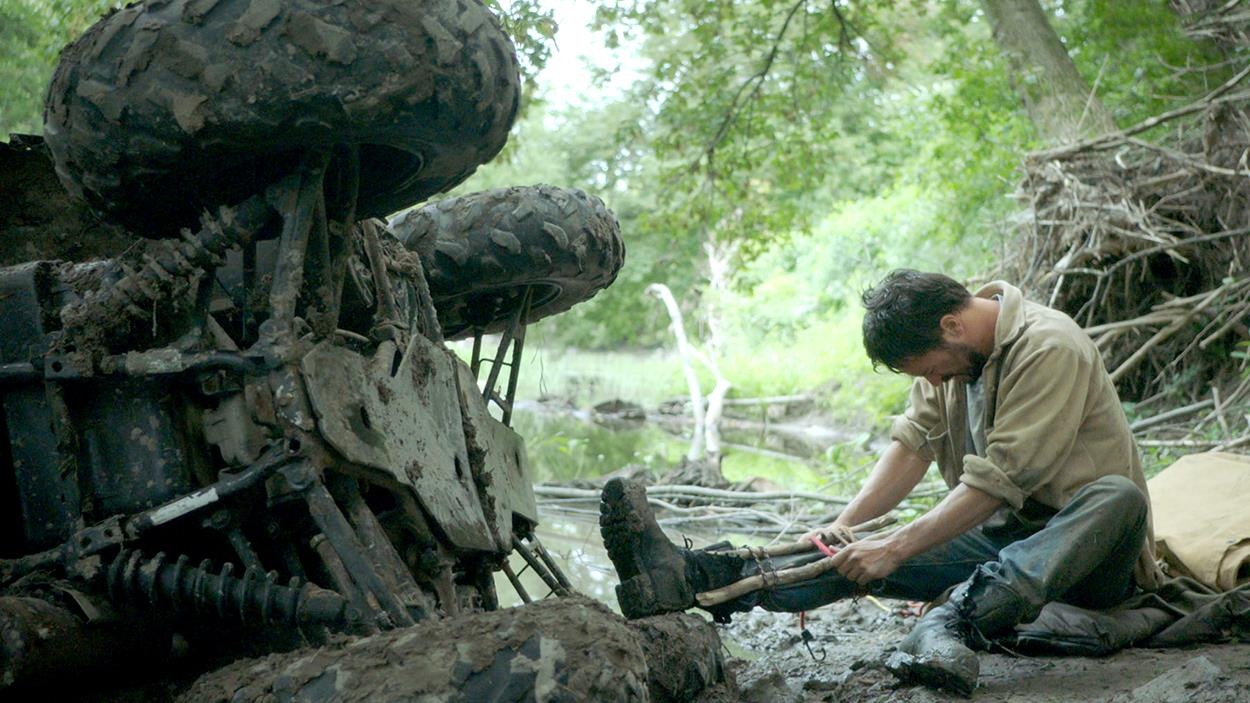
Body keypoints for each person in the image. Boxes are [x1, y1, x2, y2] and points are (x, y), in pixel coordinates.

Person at [600, 269, 1161, 696]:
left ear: (951, 326)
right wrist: (843, 532)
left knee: (1118, 496)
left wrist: (895, 547)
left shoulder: (1048, 347)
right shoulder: (955, 353)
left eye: (933, 371)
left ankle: (956, 621)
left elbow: (999, 481)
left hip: (1085, 555)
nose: (935, 382)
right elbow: (912, 444)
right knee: (850, 558)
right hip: (1001, 542)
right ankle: (694, 578)